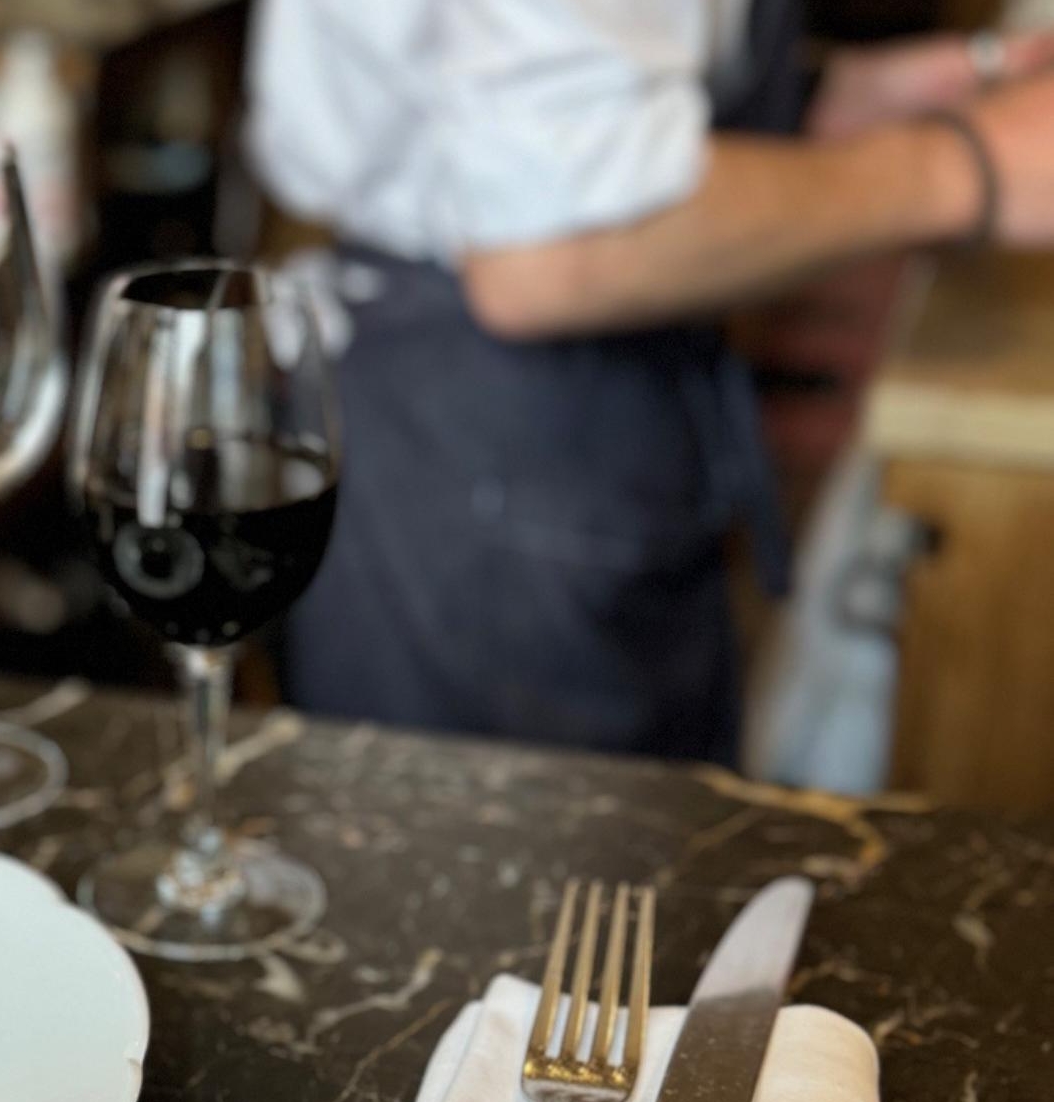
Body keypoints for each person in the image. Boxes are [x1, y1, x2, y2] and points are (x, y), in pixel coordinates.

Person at [247, 1, 1054, 763]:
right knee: (525, 887)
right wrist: (966, 168)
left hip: (559, 422)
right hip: (497, 456)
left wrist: (822, 102)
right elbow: (552, 249)